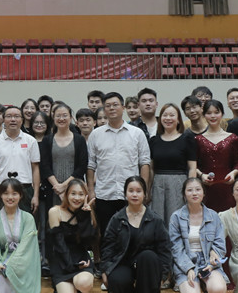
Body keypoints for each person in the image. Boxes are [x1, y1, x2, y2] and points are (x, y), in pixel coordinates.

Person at [0, 178, 59, 293]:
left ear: (21, 195)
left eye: (14, 193)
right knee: (0, 277)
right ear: (0, 195)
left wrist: (12, 265)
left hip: (24, 260)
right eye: (6, 193)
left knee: (10, 271)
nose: (10, 197)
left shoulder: (28, 218)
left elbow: (27, 246)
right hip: (1, 259)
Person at [99, 176, 170, 293]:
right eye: (131, 191)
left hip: (147, 265)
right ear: (125, 194)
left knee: (148, 255)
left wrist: (163, 276)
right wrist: (105, 271)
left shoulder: (155, 219)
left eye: (138, 191)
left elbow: (164, 249)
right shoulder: (117, 219)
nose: (135, 194)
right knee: (118, 281)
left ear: (145, 194)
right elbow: (108, 247)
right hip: (123, 262)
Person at [87, 92, 151, 237]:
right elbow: (90, 165)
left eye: (115, 105)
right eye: (108, 106)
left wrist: (143, 189)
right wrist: (91, 190)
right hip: (104, 194)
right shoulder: (96, 134)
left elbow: (144, 163)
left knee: (133, 234)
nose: (112, 108)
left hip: (131, 194)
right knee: (107, 235)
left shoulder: (137, 133)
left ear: (123, 108)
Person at [170, 177, 228, 293]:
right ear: (184, 194)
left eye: (198, 189)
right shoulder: (176, 217)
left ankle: (206, 288)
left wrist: (213, 260)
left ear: (203, 193)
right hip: (187, 262)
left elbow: (220, 244)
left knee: (219, 290)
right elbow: (176, 249)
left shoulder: (213, 216)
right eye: (190, 190)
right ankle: (186, 291)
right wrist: (189, 268)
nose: (194, 193)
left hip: (207, 262)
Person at [149, 103, 197, 236]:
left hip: (179, 183)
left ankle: (177, 249)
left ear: (178, 119)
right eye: (165, 115)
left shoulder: (187, 139)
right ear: (160, 118)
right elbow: (151, 168)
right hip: (158, 184)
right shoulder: (154, 140)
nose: (168, 118)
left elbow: (192, 167)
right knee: (157, 221)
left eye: (172, 115)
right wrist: (148, 189)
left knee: (177, 222)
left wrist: (190, 190)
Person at [47, 179, 96, 293]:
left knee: (83, 283)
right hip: (62, 261)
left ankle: (80, 290)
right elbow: (58, 244)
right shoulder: (55, 212)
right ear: (66, 195)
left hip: (80, 259)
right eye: (73, 193)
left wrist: (85, 218)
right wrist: (72, 266)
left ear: (85, 196)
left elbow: (87, 243)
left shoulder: (87, 213)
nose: (77, 198)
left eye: (81, 194)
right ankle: (61, 290)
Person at [0, 106, 41, 213]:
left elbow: (35, 169)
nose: (13, 119)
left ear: (22, 120)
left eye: (16, 116)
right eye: (9, 116)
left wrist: (35, 195)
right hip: (2, 189)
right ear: (4, 120)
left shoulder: (31, 141)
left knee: (26, 221)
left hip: (25, 189)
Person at [197, 100, 238, 212]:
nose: (213, 116)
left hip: (227, 186)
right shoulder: (198, 139)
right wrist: (201, 175)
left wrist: (233, 173)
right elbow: (193, 165)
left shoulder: (233, 138)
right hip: (206, 188)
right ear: (204, 115)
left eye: (216, 112)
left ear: (222, 114)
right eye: (209, 113)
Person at [40, 103, 88, 206]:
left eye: (65, 115)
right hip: (53, 189)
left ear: (70, 118)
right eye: (58, 116)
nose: (61, 119)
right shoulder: (47, 140)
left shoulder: (79, 140)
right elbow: (45, 166)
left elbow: (82, 166)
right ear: (53, 117)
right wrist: (58, 187)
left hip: (75, 190)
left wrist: (65, 186)